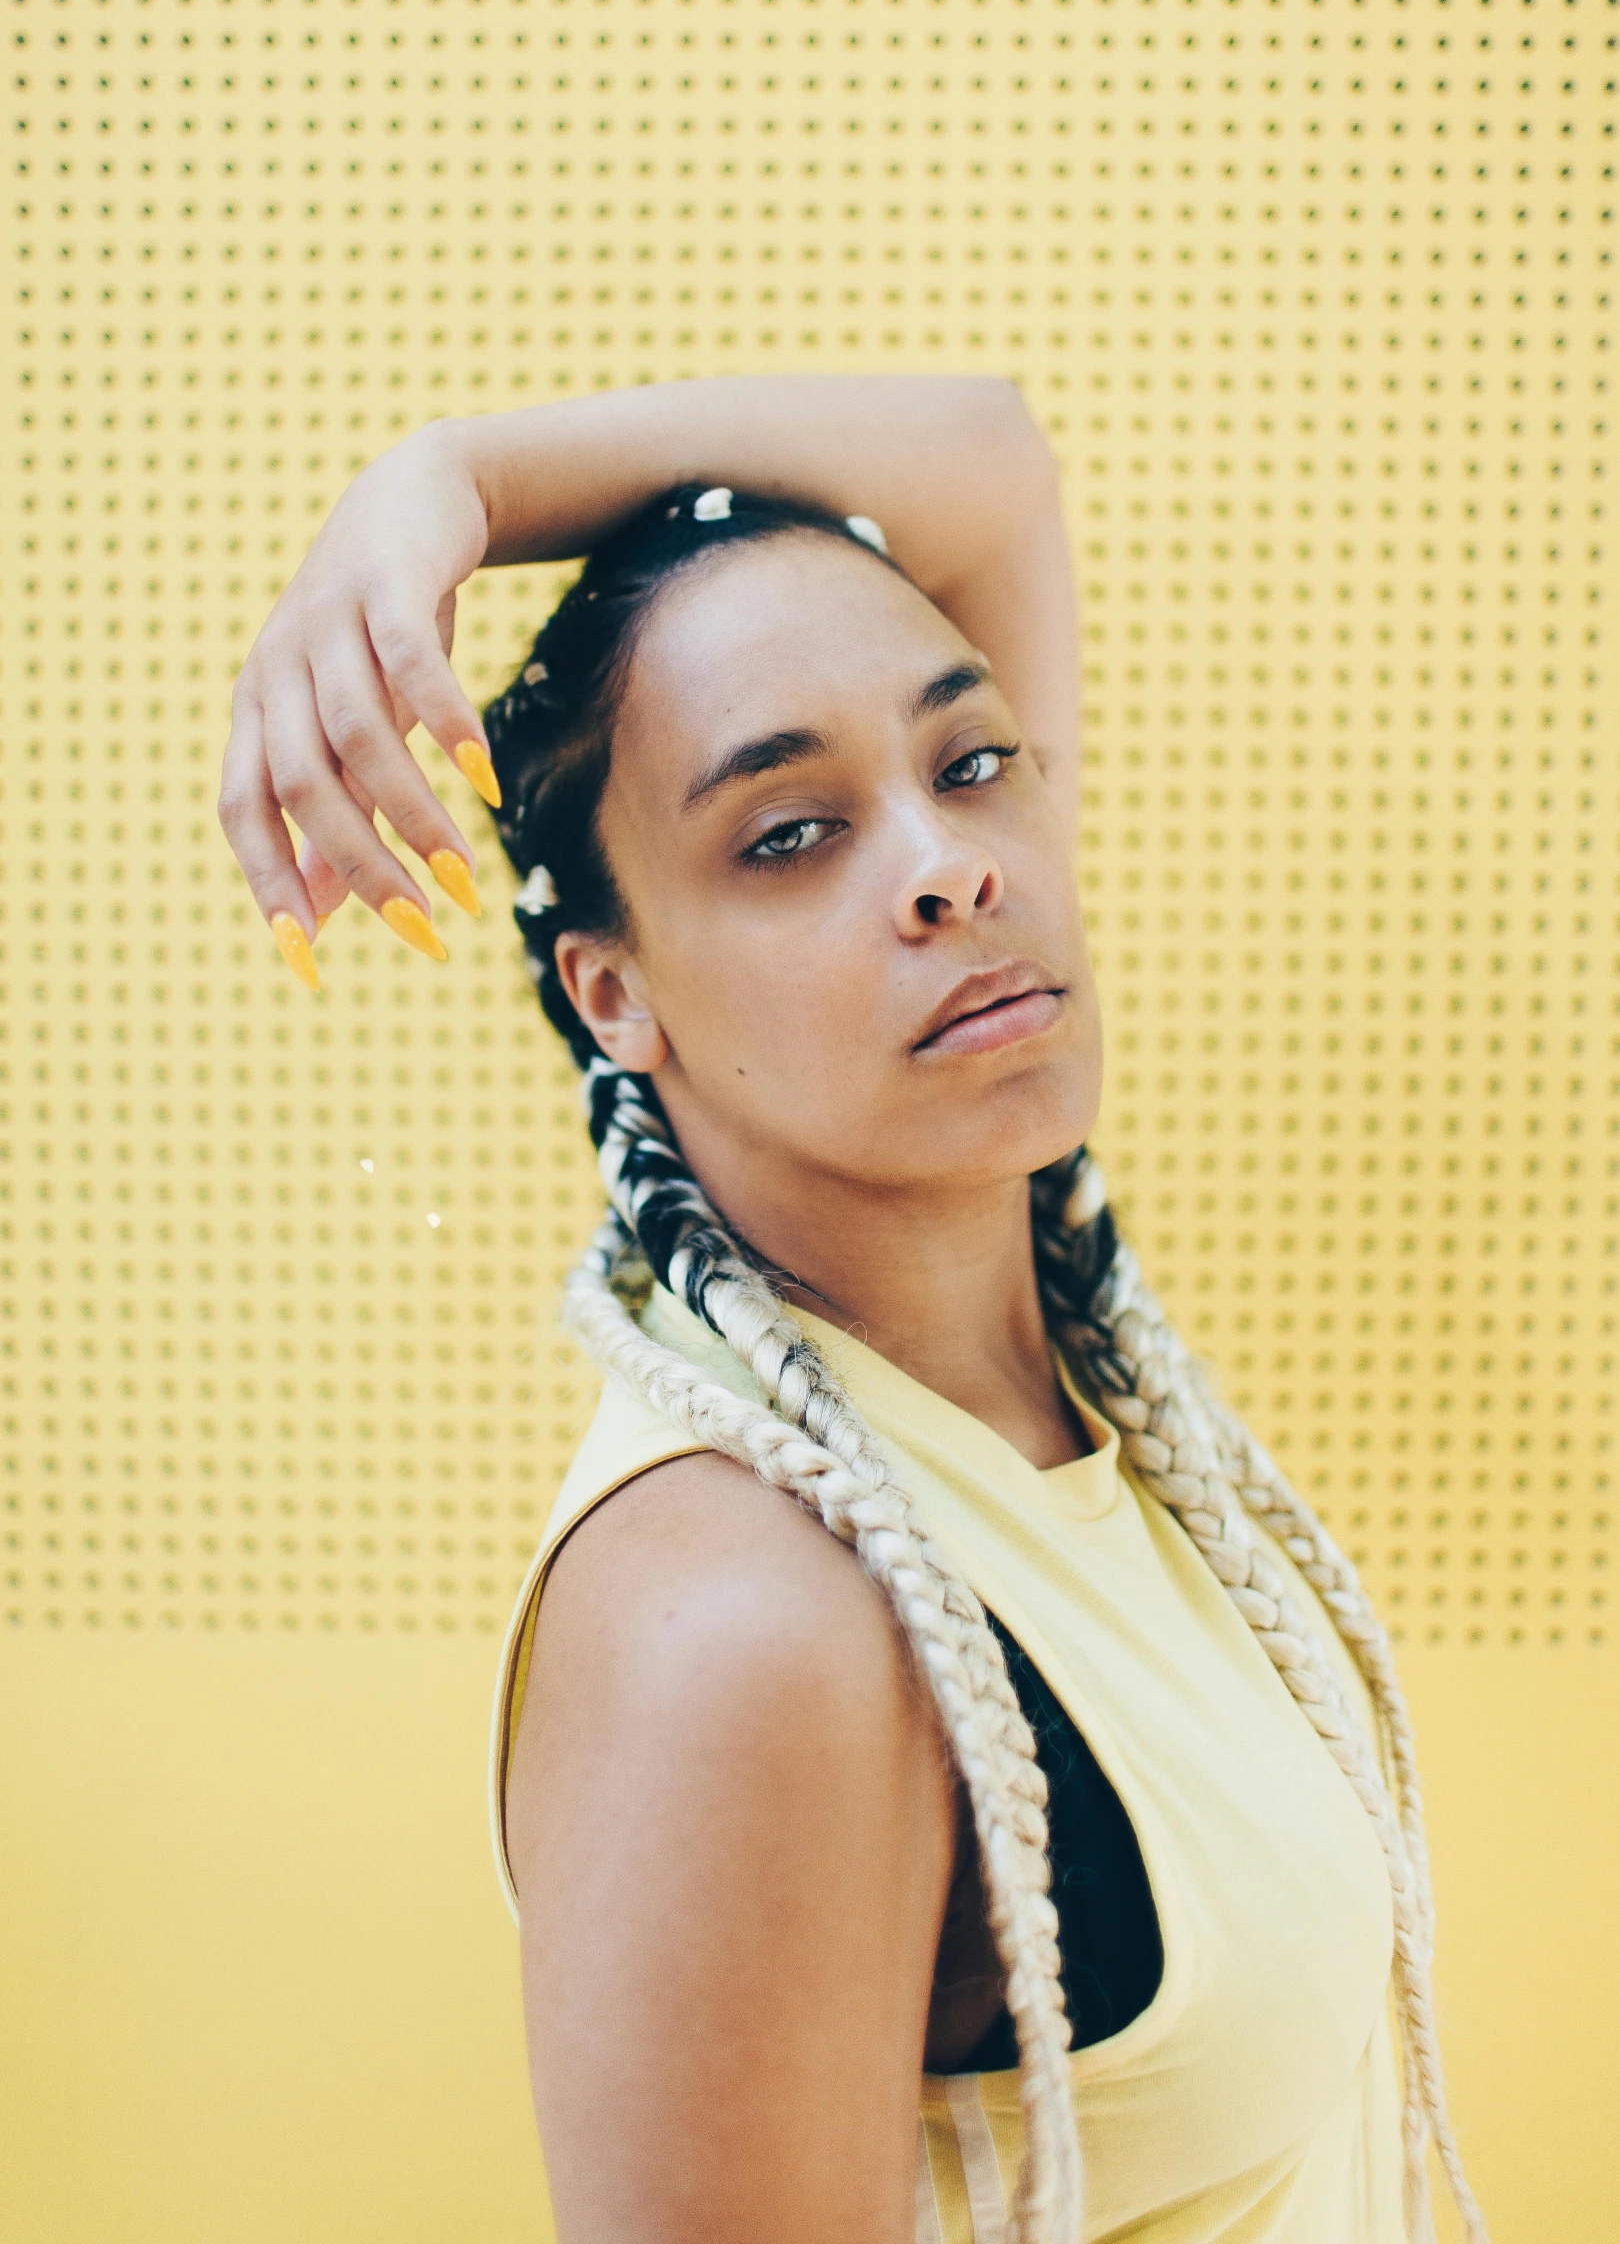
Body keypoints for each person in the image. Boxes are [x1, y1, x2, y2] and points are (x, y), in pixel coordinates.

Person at [218, 377, 1489, 2244]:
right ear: (614, 995)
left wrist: (454, 480)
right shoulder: (749, 1629)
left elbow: (986, 463)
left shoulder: (1057, 1398)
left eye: (971, 764)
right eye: (790, 834)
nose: (950, 866)